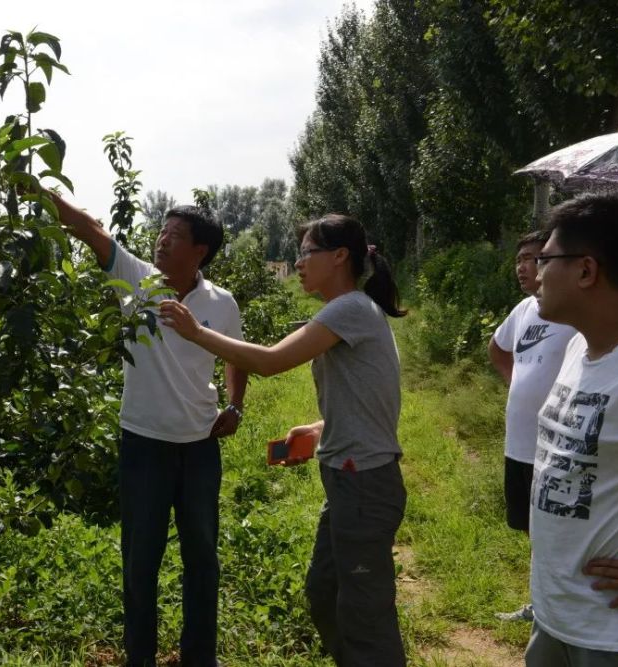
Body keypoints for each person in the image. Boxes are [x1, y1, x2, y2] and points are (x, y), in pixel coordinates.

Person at [160, 213, 407, 666]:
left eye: (306, 252)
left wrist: (197, 332)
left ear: (339, 257)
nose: (298, 263)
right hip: (349, 479)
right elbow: (372, 396)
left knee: (365, 614)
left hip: (364, 484)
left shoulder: (349, 308)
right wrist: (319, 430)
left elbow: (271, 362)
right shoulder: (350, 311)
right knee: (324, 593)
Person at [48, 191, 248, 667]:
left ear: (200, 251)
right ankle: (140, 657)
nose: (161, 241)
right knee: (140, 562)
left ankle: (200, 657)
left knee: (202, 559)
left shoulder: (221, 303)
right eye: (161, 231)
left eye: (175, 236)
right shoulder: (137, 280)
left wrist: (236, 406)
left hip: (200, 447)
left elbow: (236, 356)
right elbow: (93, 231)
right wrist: (41, 193)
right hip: (143, 446)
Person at [525, 193, 618, 666]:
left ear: (586, 271)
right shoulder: (576, 350)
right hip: (555, 613)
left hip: (608, 636)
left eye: (545, 259)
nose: (536, 273)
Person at [488, 230, 576, 622]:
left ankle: (557, 607)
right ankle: (542, 603)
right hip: (519, 442)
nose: (526, 267)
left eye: (536, 258)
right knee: (532, 528)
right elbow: (498, 348)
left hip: (558, 445)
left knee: (560, 531)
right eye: (520, 259)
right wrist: (518, 387)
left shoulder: (573, 313)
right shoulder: (523, 310)